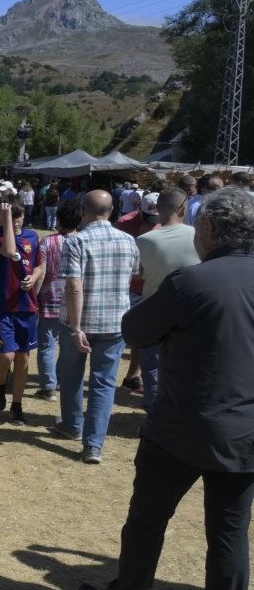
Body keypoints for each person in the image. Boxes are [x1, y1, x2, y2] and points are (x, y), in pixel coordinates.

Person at [77, 187, 254, 590]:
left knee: (149, 518)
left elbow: (135, 330)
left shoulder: (191, 283)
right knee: (230, 534)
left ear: (212, 230)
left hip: (180, 424)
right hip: (244, 431)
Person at [52, 190, 140, 464]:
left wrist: (77, 327)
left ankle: (72, 425)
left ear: (82, 212)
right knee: (104, 384)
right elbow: (136, 274)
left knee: (71, 376)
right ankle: (94, 445)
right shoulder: (128, 241)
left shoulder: (76, 241)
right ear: (112, 211)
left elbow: (74, 287)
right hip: (114, 322)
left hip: (80, 322)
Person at [132, 188, 198, 411]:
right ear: (183, 208)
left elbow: (137, 274)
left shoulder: (143, 240)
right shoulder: (198, 236)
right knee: (186, 370)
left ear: (157, 209)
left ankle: (153, 415)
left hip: (153, 311)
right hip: (191, 313)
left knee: (152, 372)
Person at [0, 197, 43, 425]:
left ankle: (17, 406)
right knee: (7, 355)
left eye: (19, 216)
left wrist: (35, 276)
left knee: (23, 357)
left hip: (26, 305)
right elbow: (10, 250)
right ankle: (1, 382)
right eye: (12, 216)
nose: (16, 221)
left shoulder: (32, 237)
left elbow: (39, 264)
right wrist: (6, 219)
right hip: (2, 304)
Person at [114, 192, 161, 394]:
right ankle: (111, 376)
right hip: (127, 289)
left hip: (150, 289)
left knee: (144, 338)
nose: (153, 224)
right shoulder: (124, 223)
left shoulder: (165, 222)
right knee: (120, 335)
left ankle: (133, 376)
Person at [35, 198, 82, 400]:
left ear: (59, 221)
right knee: (67, 344)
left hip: (49, 299)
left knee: (47, 344)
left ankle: (48, 385)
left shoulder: (47, 242)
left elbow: (42, 272)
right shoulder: (83, 241)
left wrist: (35, 296)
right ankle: (60, 378)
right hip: (74, 302)